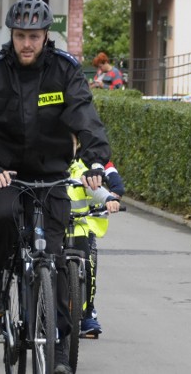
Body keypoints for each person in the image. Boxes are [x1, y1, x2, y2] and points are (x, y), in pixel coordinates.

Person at [0, 0, 112, 373]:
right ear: (12, 35)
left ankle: (58, 347)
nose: (27, 43)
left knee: (54, 259)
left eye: (34, 37)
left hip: (50, 172)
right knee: (3, 214)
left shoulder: (64, 70)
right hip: (2, 170)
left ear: (45, 37)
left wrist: (93, 160)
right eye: (21, 36)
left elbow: (85, 115)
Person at [65, 135, 124, 338]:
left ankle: (88, 312)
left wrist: (110, 197)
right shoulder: (45, 165)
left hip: (80, 228)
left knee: (88, 266)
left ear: (77, 145)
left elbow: (97, 187)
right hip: (52, 230)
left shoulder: (83, 168)